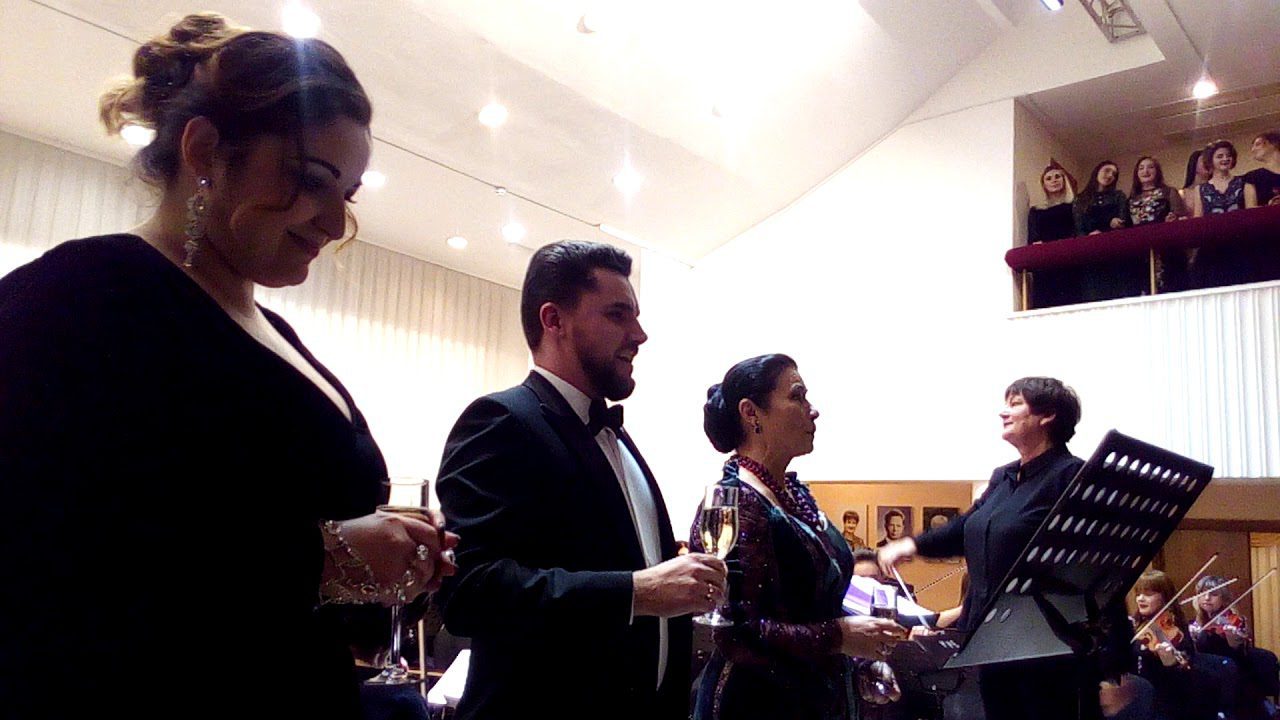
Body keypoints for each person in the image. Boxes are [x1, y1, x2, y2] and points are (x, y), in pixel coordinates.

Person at [0, 13, 456, 718]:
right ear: (206, 150)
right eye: (311, 180)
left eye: (347, 195)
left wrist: (392, 567)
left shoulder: (278, 334)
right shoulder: (76, 298)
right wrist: (324, 556)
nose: (335, 223)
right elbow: (49, 550)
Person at [435, 240, 727, 720]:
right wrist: (637, 592)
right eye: (618, 314)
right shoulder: (500, 420)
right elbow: (469, 590)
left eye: (635, 316)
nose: (639, 334)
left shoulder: (617, 438)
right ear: (554, 320)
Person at [878, 377, 1126, 720]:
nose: (1003, 412)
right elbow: (965, 527)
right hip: (992, 644)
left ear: (1047, 415)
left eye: (1015, 403)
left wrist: (1113, 667)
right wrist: (913, 544)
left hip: (1048, 650)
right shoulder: (1003, 478)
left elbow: (1102, 568)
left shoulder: (1071, 476)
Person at [691, 354, 904, 720]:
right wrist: (840, 638)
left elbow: (818, 608)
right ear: (751, 413)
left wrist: (857, 660)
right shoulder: (734, 503)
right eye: (797, 396)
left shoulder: (794, 492)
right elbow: (736, 632)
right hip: (757, 704)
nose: (813, 410)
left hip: (812, 697)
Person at [1130, 571, 1217, 720]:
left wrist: (1170, 664)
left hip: (1163, 702)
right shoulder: (1137, 624)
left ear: (1164, 597)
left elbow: (1184, 679)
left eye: (1148, 594)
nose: (1140, 598)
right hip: (1136, 695)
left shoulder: (1175, 629)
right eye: (1138, 594)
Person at [1189, 575, 1275, 720]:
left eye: (1214, 594)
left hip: (1234, 677)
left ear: (1224, 598)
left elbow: (1238, 651)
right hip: (1209, 676)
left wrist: (1233, 638)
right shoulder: (1196, 623)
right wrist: (1192, 637)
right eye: (1202, 593)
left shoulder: (1234, 621)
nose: (1207, 598)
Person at [1128, 156, 1190, 291]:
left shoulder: (1169, 192)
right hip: (1140, 251)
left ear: (1157, 171)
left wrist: (1173, 219)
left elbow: (1181, 215)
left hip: (1167, 247)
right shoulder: (1132, 198)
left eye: (1150, 167)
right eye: (1141, 168)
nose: (1145, 171)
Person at [1074, 160, 1130, 236]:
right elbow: (1078, 227)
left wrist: (1116, 223)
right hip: (1089, 241)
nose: (1110, 175)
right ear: (1097, 172)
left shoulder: (1119, 196)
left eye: (1114, 174)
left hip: (1114, 238)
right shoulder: (1080, 198)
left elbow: (1123, 221)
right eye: (1107, 171)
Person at [1241, 131, 1280, 206]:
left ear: (1273, 144)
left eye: (1258, 144)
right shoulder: (1253, 177)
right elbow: (1251, 209)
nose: (1253, 149)